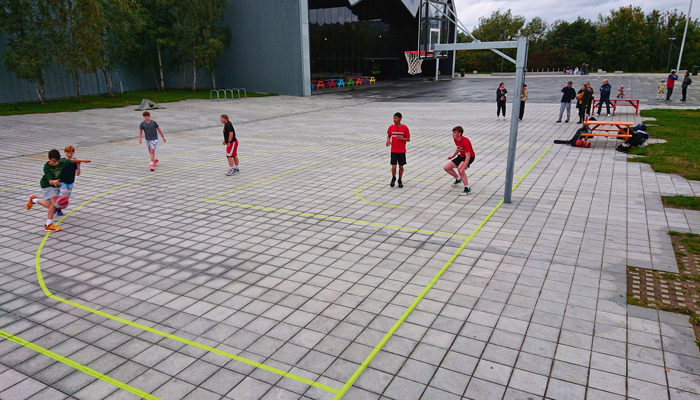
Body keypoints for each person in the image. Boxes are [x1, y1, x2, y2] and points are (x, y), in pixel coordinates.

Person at [25, 149, 90, 232]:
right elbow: (50, 181)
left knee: (51, 206)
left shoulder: (61, 162)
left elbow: (71, 160)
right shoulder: (47, 167)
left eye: (57, 161)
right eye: (54, 161)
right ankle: (48, 225)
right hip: (47, 185)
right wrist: (54, 181)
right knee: (54, 203)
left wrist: (83, 161)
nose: (56, 163)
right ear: (49, 159)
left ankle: (33, 200)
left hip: (56, 185)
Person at [444, 126, 475, 196]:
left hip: (469, 157)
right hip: (461, 156)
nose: (453, 134)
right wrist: (452, 156)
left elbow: (468, 156)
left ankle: (467, 189)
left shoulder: (465, 141)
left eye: (454, 133)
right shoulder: (455, 139)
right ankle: (458, 179)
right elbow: (458, 148)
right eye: (453, 132)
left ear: (459, 133)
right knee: (446, 168)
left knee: (460, 170)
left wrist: (464, 167)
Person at [55, 145, 83, 217]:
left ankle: (57, 207)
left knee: (66, 198)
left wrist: (78, 166)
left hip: (70, 182)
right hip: (62, 181)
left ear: (73, 153)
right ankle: (56, 206)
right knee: (65, 195)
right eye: (68, 153)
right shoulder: (62, 161)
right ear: (65, 153)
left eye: (71, 153)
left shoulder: (74, 161)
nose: (69, 155)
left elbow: (78, 173)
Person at [386, 112, 410, 188]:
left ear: (400, 119)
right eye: (393, 118)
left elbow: (408, 139)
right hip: (394, 150)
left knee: (401, 167)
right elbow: (388, 135)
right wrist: (388, 140)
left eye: (396, 118)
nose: (394, 120)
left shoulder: (405, 128)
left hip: (401, 151)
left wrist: (402, 138)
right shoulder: (391, 127)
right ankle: (393, 178)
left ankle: (400, 179)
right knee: (393, 166)